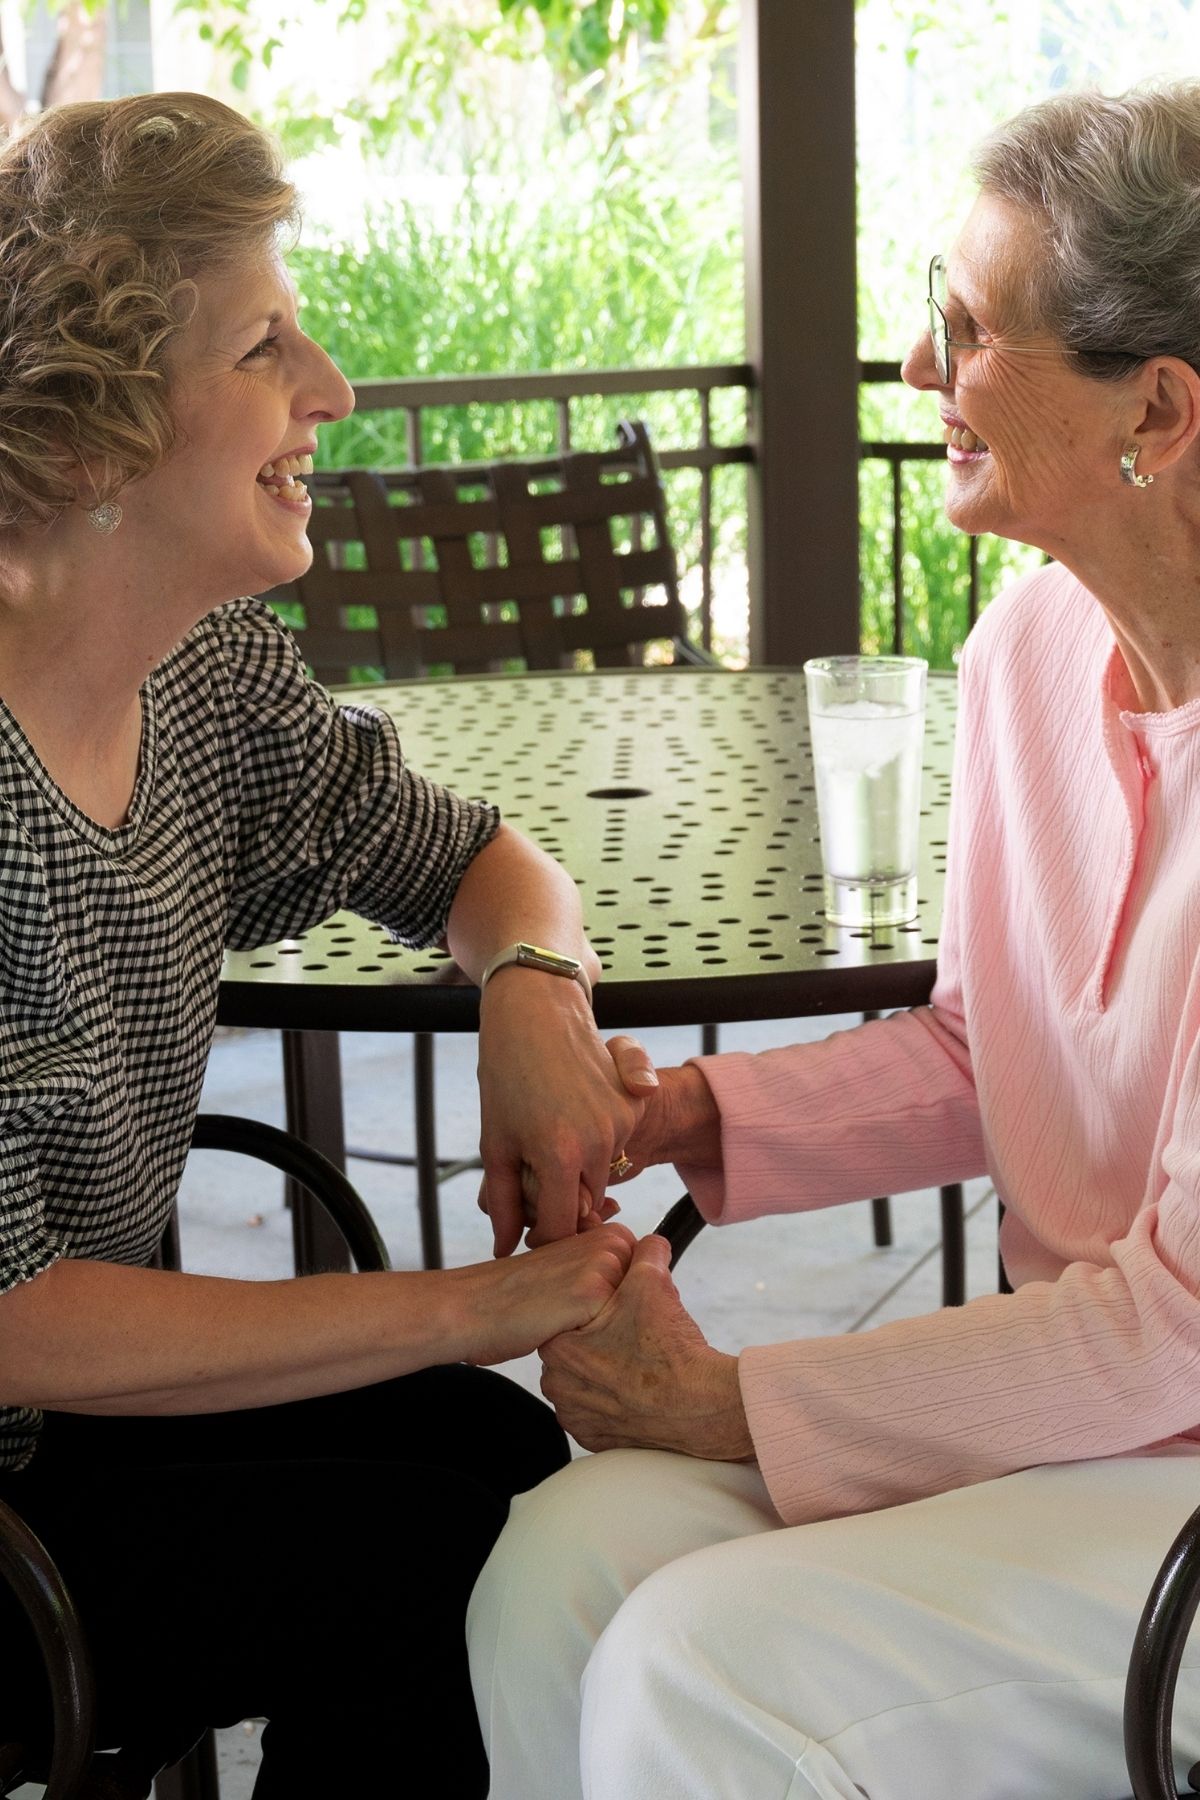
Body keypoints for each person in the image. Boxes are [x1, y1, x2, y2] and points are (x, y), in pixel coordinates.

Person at [468, 80, 1200, 1800]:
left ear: (1155, 409)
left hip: (1176, 1463)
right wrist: (694, 1118)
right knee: (552, 1574)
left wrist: (738, 1402)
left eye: (965, 325)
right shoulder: (1026, 654)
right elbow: (981, 1049)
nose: (916, 374)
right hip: (1076, 1420)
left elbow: (1178, 1327)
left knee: (701, 1671)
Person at [0, 91, 645, 1797]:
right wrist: (471, 1301)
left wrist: (530, 988)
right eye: (263, 347)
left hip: (77, 1445)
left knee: (500, 1482)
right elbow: (14, 1318)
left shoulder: (209, 680)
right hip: (9, 1498)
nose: (333, 393)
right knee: (414, 1550)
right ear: (93, 445)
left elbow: (485, 860)